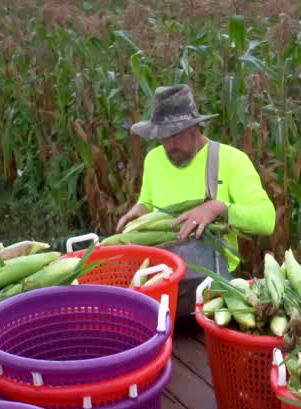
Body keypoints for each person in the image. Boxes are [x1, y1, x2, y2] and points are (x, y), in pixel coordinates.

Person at [117, 84, 275, 315]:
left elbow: (266, 219)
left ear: (195, 127)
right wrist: (138, 212)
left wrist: (219, 208)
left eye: (176, 135)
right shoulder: (154, 159)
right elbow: (148, 202)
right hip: (161, 287)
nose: (170, 145)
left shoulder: (230, 160)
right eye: (163, 137)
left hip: (214, 295)